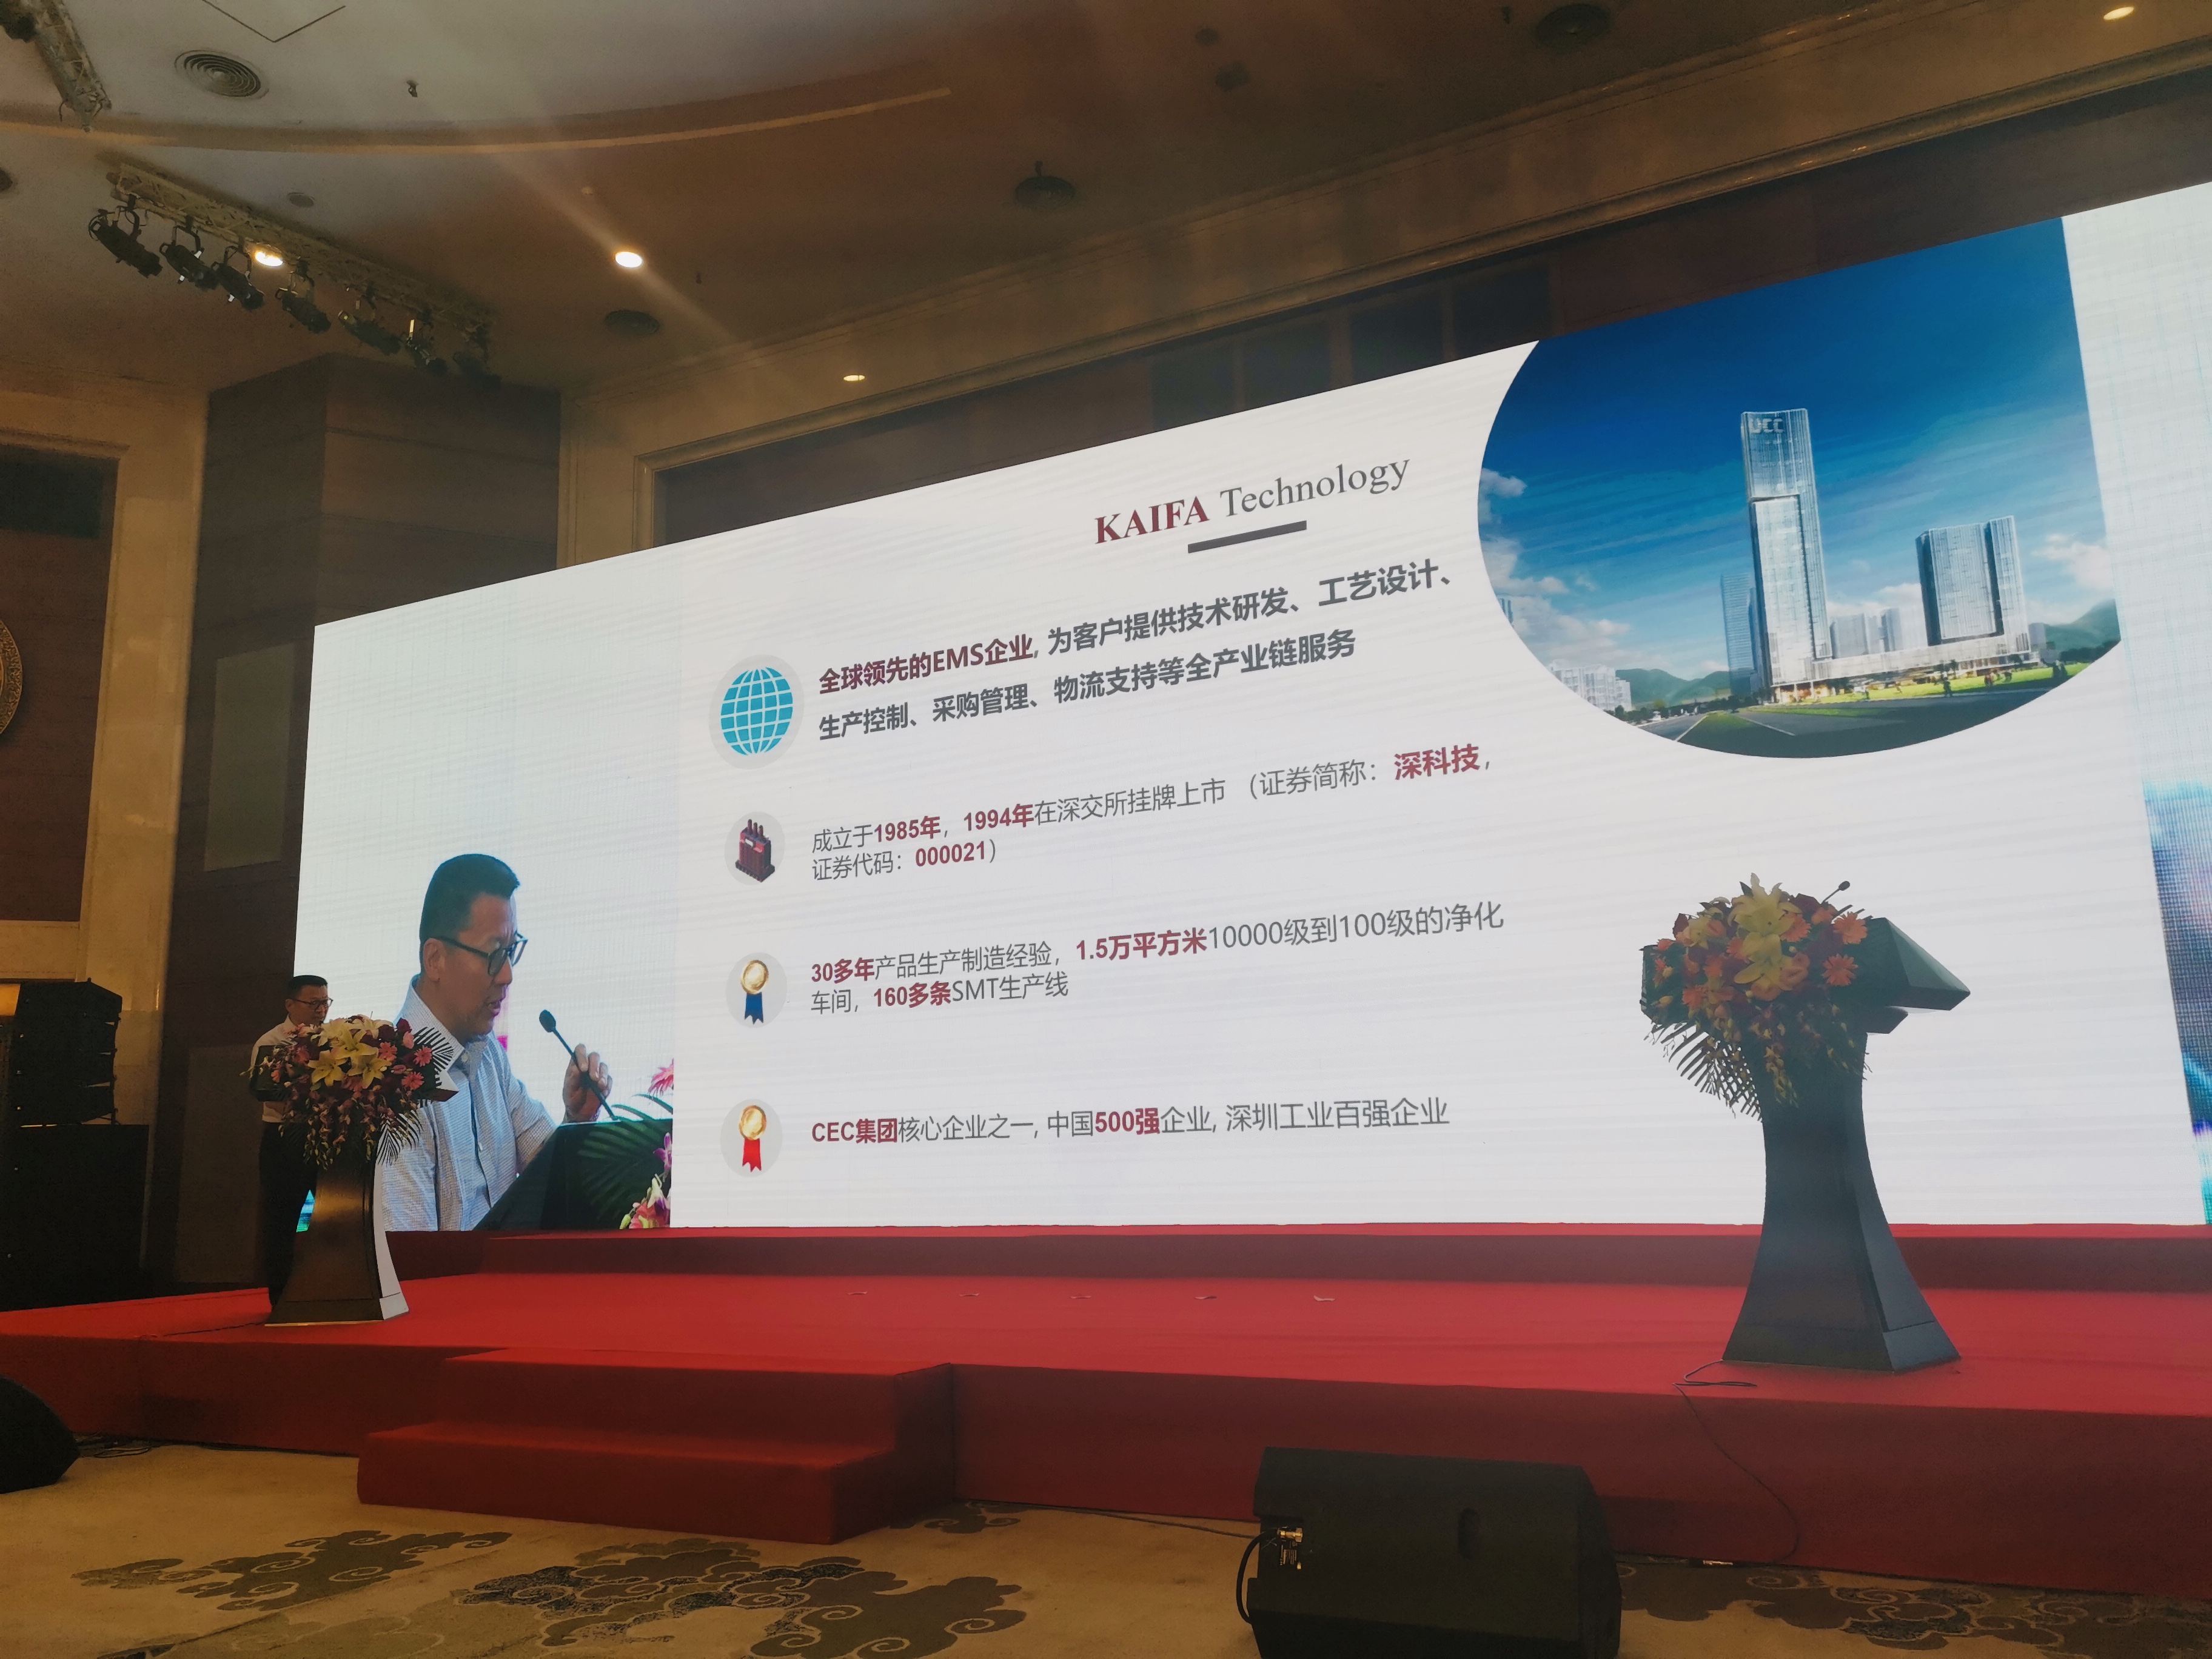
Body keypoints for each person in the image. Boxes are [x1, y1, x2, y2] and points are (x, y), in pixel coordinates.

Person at [378, 853, 609, 1232]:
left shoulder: (487, 1056)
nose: (507, 975)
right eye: (494, 954)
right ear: (435, 959)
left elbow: (545, 1178)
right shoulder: (395, 1083)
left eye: (512, 951)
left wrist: (576, 1119)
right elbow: (411, 1257)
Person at [251, 973, 330, 1306]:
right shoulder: (271, 1042)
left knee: (333, 1220)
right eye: (313, 1003)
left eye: (325, 1002)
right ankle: (282, 1301)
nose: (321, 1010)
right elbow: (268, 1097)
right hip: (285, 1141)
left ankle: (329, 1294)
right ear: (290, 1004)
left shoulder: (336, 1040)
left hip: (327, 1139)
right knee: (283, 1223)